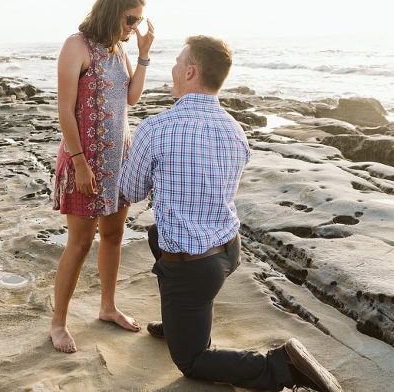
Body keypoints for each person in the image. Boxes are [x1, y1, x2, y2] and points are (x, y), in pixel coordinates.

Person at [119, 36, 343, 392]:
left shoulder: (156, 129)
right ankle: (179, 322)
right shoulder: (235, 130)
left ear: (191, 71)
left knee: (191, 362)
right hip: (228, 250)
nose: (173, 68)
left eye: (178, 62)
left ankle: (282, 365)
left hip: (192, 267)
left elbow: (129, 192)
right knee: (157, 234)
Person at [50, 0, 155, 353]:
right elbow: (64, 111)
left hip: (119, 160)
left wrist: (142, 55)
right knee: (79, 243)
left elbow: (132, 98)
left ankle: (107, 307)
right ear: (112, 10)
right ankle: (58, 323)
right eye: (131, 19)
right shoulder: (75, 46)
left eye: (139, 21)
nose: (134, 27)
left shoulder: (117, 49)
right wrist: (79, 163)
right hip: (86, 160)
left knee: (113, 236)